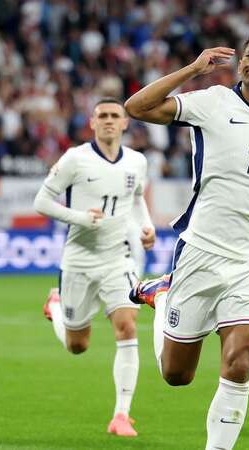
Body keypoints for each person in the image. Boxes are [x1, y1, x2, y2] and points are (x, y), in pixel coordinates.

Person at [124, 31, 249, 450]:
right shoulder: (212, 101)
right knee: (177, 375)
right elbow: (136, 108)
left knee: (240, 360)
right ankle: (163, 296)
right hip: (201, 252)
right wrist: (192, 69)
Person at [34, 98, 155, 437]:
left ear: (125, 123)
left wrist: (146, 228)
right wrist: (80, 219)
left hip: (118, 258)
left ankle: (121, 415)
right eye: (102, 116)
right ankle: (55, 306)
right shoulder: (75, 158)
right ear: (92, 122)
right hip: (79, 262)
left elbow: (136, 198)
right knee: (77, 345)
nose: (108, 121)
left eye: (115, 116)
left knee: (127, 326)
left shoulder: (137, 161)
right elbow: (40, 201)